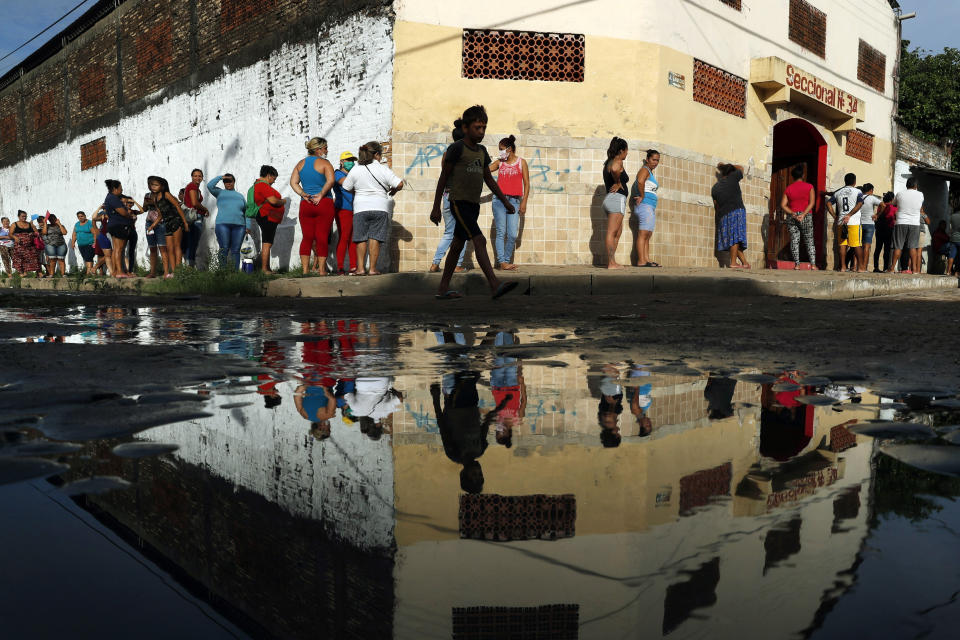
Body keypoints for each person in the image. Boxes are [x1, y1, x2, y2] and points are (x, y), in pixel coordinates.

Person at [430, 105, 519, 299]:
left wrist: (505, 201)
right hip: (458, 202)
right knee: (480, 239)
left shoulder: (482, 151)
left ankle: (442, 289)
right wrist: (436, 207)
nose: (481, 132)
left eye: (484, 128)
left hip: (473, 204)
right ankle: (494, 284)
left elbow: (488, 178)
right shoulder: (457, 148)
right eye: (477, 127)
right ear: (465, 128)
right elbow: (443, 178)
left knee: (457, 245)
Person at [342, 141, 403, 275]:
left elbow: (346, 187)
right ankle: (373, 269)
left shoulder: (356, 169)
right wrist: (393, 191)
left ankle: (360, 268)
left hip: (360, 208)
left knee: (360, 239)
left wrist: (358, 193)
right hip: (380, 207)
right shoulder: (382, 168)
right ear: (376, 154)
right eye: (380, 154)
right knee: (375, 238)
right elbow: (399, 184)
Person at [290, 137, 336, 274]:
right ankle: (321, 270)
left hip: (306, 204)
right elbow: (331, 180)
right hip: (324, 203)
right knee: (322, 237)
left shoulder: (300, 164)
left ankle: (305, 271)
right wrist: (321, 194)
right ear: (318, 149)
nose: (327, 150)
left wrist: (303, 194)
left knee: (307, 237)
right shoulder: (325, 163)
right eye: (325, 148)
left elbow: (293, 183)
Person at [429, 123, 468, 273]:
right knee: (462, 232)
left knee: (449, 232)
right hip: (459, 197)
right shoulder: (463, 152)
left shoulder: (447, 153)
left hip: (447, 195)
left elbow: (443, 178)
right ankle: (457, 264)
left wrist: (436, 205)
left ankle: (435, 263)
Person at [487, 134, 529, 270]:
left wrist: (524, 203)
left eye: (502, 149)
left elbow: (527, 184)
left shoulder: (521, 162)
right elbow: (485, 171)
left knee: (512, 234)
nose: (500, 152)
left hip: (515, 201)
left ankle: (505, 260)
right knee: (501, 232)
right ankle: (503, 262)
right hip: (499, 201)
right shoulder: (500, 162)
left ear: (509, 149)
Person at [207, 173, 252, 269]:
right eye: (226, 181)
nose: (228, 183)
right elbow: (209, 185)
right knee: (224, 248)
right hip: (223, 225)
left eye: (230, 181)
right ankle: (223, 272)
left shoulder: (240, 196)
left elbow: (246, 212)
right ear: (223, 183)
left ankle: (234, 273)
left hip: (239, 226)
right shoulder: (219, 192)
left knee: (235, 250)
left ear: (234, 182)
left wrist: (248, 226)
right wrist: (221, 177)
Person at [148, 176, 189, 279]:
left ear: (162, 186)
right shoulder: (155, 198)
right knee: (169, 249)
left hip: (175, 221)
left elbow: (177, 206)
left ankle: (178, 272)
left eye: (156, 185)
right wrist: (153, 225)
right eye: (152, 185)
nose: (153, 187)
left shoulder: (166, 194)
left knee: (176, 247)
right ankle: (173, 272)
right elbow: (160, 215)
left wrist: (184, 222)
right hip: (167, 224)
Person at [712, 162, 750, 268]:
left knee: (731, 239)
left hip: (723, 215)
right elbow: (742, 167)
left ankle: (745, 263)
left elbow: (716, 206)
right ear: (731, 172)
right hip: (737, 211)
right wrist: (728, 165)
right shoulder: (733, 177)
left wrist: (720, 218)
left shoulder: (714, 188)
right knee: (735, 238)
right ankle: (733, 263)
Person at [780, 164, 817, 270]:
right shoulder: (809, 187)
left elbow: (783, 205)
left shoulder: (789, 188)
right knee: (809, 240)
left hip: (793, 216)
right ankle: (813, 265)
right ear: (803, 175)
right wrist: (804, 214)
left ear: (792, 176)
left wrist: (793, 214)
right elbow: (812, 203)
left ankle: (797, 264)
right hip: (806, 216)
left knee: (794, 240)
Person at [889, 177, 929, 274]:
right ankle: (915, 270)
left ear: (906, 185)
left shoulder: (899, 194)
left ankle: (891, 269)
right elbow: (920, 206)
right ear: (916, 186)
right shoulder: (920, 194)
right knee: (912, 247)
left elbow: (894, 204)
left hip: (901, 222)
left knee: (898, 247)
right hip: (915, 224)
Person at [826, 173, 865, 272]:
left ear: (845, 181)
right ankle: (860, 267)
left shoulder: (838, 192)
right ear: (855, 182)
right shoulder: (858, 191)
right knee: (856, 244)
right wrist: (850, 214)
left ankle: (843, 267)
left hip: (841, 222)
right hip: (854, 222)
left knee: (842, 245)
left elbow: (828, 203)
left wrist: (835, 216)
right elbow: (860, 203)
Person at [251, 165, 286, 273]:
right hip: (267, 216)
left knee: (268, 242)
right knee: (267, 242)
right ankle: (264, 269)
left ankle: (267, 268)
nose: (274, 181)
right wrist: (283, 201)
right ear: (269, 175)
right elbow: (274, 201)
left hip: (268, 216)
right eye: (274, 178)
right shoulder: (262, 185)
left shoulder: (260, 185)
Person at [601, 137, 629, 269]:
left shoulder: (609, 161)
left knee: (617, 232)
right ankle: (611, 263)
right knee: (612, 232)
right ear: (622, 150)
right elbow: (615, 169)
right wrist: (618, 182)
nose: (627, 153)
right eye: (626, 150)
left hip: (612, 199)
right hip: (616, 199)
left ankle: (613, 262)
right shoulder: (617, 161)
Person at [632, 149, 661, 267]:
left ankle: (646, 259)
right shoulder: (645, 169)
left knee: (648, 234)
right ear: (648, 159)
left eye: (658, 160)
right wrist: (642, 196)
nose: (656, 162)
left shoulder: (650, 172)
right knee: (643, 233)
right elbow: (640, 181)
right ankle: (641, 261)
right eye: (654, 159)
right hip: (645, 205)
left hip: (649, 206)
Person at [333, 151, 359, 274]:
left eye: (352, 160)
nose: (351, 162)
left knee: (353, 239)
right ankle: (340, 267)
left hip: (354, 209)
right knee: (344, 237)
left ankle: (353, 266)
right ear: (341, 162)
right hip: (343, 208)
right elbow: (346, 184)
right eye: (348, 160)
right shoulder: (338, 173)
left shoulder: (352, 174)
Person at [103, 179, 136, 278]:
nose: (122, 190)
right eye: (120, 188)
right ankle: (120, 272)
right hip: (119, 225)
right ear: (115, 189)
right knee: (119, 249)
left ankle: (116, 271)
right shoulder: (113, 198)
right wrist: (130, 216)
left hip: (114, 225)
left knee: (116, 249)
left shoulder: (110, 197)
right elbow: (122, 212)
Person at [181, 169, 208, 267]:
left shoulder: (195, 188)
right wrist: (205, 209)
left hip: (192, 217)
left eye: (200, 176)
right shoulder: (192, 186)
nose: (198, 178)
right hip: (195, 217)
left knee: (191, 242)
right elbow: (194, 203)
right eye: (195, 176)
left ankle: (189, 265)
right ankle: (190, 266)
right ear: (191, 177)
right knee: (192, 242)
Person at [141, 193, 168, 278]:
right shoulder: (147, 195)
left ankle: (166, 272)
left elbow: (164, 209)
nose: (153, 187)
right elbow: (144, 209)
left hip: (161, 223)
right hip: (149, 223)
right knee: (152, 248)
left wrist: (154, 203)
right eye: (151, 184)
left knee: (163, 248)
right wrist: (146, 203)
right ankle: (152, 272)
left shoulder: (162, 196)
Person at [10, 210, 43, 277]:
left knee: (35, 258)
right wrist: (15, 237)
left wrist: (33, 226)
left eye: (25, 216)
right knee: (19, 259)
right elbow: (10, 234)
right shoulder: (14, 224)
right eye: (22, 216)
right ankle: (22, 273)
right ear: (18, 216)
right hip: (19, 245)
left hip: (30, 245)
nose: (24, 218)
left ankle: (39, 273)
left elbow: (36, 233)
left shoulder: (29, 224)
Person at [859, 183, 881, 272]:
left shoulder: (859, 197)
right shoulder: (872, 198)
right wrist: (877, 215)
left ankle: (856, 267)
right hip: (869, 224)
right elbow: (883, 205)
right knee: (866, 247)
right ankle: (864, 267)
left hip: (859, 224)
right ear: (871, 190)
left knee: (858, 246)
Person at [874, 191, 896, 272]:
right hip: (888, 230)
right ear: (892, 199)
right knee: (887, 250)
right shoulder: (892, 207)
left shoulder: (881, 206)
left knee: (878, 248)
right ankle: (885, 267)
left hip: (879, 229)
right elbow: (894, 217)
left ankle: (876, 267)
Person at [121, 195, 140, 274]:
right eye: (128, 202)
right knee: (122, 250)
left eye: (131, 203)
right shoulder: (122, 210)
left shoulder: (134, 211)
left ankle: (130, 270)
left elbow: (142, 210)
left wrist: (135, 202)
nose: (130, 204)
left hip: (133, 231)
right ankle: (122, 269)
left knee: (131, 251)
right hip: (125, 231)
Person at [92, 206, 112, 276]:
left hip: (113, 235)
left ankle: (95, 267)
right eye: (105, 208)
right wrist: (95, 229)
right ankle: (100, 271)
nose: (106, 209)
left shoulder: (115, 214)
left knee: (111, 253)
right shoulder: (103, 215)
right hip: (103, 235)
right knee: (101, 254)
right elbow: (93, 218)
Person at [947, 205, 960, 276]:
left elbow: (950, 227)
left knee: (951, 255)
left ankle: (948, 271)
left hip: (953, 239)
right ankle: (957, 272)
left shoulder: (952, 216)